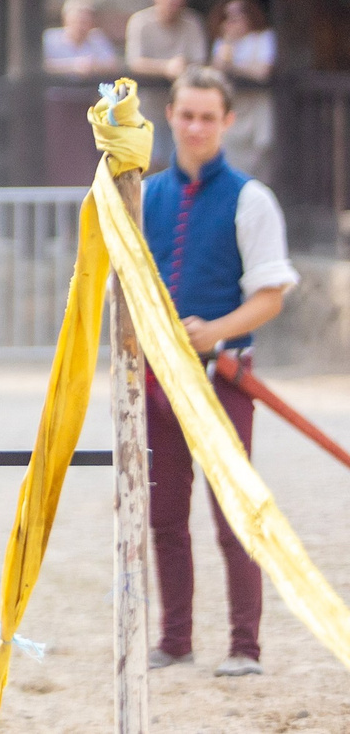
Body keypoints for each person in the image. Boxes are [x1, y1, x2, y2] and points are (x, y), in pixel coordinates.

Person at [141, 66, 299, 678]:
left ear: (227, 122)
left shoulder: (251, 199)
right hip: (157, 382)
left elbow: (271, 295)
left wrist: (218, 330)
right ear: (172, 116)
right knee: (163, 516)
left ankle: (244, 647)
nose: (197, 126)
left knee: (236, 513)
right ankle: (175, 640)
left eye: (209, 116)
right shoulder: (145, 195)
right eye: (187, 114)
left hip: (225, 378)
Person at [126, 0, 207, 164]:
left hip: (183, 105)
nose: (173, 4)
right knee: (148, 160)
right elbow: (135, 62)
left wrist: (182, 67)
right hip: (148, 105)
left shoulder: (192, 22)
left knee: (184, 158)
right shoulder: (141, 22)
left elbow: (200, 61)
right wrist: (166, 67)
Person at [209, 0, 275, 177]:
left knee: (263, 145)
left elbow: (262, 71)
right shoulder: (223, 43)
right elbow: (217, 72)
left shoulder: (263, 38)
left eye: (237, 17)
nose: (232, 22)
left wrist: (235, 66)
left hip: (257, 104)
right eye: (228, 18)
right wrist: (228, 43)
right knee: (232, 149)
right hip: (236, 105)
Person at [43, 0, 121, 80]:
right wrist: (73, 66)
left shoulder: (97, 38)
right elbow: (38, 66)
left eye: (85, 21)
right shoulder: (49, 38)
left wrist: (95, 66)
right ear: (66, 19)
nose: (81, 26)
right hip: (57, 90)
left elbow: (113, 66)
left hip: (90, 90)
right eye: (77, 20)